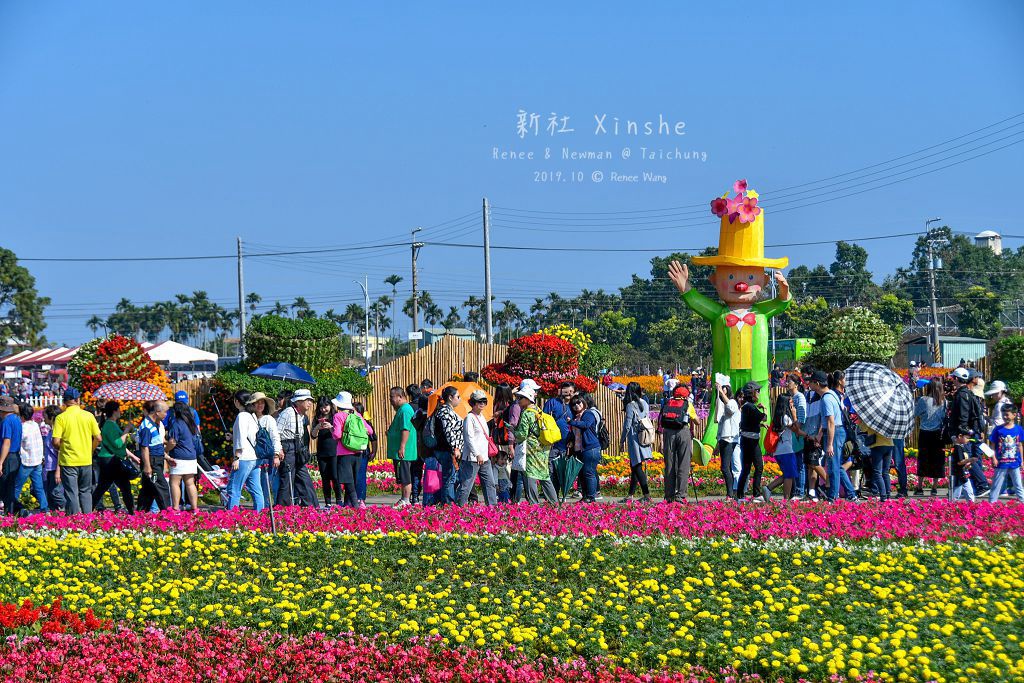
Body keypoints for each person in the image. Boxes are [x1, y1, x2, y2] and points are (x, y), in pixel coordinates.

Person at [52, 388, 100, 514]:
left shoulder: (61, 418)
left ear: (65, 401)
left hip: (69, 461)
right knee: (85, 491)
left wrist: (61, 448)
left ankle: (75, 521)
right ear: (77, 400)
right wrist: (90, 449)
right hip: (86, 459)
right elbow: (98, 438)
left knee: (71, 493)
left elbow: (56, 441)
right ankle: (88, 519)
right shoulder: (88, 416)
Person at [91, 401, 138, 515]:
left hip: (111, 460)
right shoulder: (110, 425)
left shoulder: (111, 424)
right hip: (111, 461)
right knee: (120, 487)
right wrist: (126, 431)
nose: (120, 411)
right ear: (114, 411)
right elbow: (117, 444)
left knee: (104, 487)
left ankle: (89, 509)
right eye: (119, 409)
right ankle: (131, 512)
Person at [513, 385, 557, 504]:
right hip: (543, 447)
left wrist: (513, 431)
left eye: (520, 398)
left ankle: (533, 504)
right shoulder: (538, 410)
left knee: (530, 475)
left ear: (528, 399)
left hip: (531, 449)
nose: (518, 401)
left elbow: (522, 434)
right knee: (544, 475)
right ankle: (554, 502)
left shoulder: (526, 413)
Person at [949, 367, 990, 496]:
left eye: (953, 378)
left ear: (956, 379)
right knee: (966, 460)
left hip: (964, 433)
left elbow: (963, 416)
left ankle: (982, 484)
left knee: (967, 459)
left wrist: (962, 432)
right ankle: (966, 490)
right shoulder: (967, 392)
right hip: (969, 431)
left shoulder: (962, 395)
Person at [276, 389, 319, 508]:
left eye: (310, 400)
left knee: (304, 478)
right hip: (287, 447)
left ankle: (311, 507)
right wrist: (278, 450)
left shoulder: (302, 415)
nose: (310, 403)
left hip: (297, 448)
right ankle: (283, 509)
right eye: (307, 400)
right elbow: (276, 432)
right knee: (287, 479)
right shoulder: (288, 412)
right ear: (298, 401)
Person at [332, 391, 373, 508]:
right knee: (353, 479)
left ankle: (355, 506)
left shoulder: (338, 416)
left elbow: (337, 435)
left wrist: (331, 430)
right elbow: (370, 431)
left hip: (344, 453)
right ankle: (347, 505)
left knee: (347, 481)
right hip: (358, 453)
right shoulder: (357, 415)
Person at [457, 389, 497, 505]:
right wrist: (477, 453)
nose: (482, 404)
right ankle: (458, 508)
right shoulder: (469, 418)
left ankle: (493, 508)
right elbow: (469, 437)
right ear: (473, 403)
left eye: (484, 401)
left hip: (484, 457)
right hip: (472, 458)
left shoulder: (482, 417)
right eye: (479, 401)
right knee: (466, 486)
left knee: (490, 484)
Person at [228, 390, 266, 511]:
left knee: (234, 489)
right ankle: (259, 515)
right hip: (254, 458)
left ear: (237, 401)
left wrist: (236, 458)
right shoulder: (252, 416)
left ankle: (231, 517)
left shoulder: (242, 416)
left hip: (243, 458)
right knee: (256, 489)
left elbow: (241, 440)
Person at [762, 392, 803, 501]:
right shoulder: (786, 417)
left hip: (780, 450)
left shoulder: (778, 417)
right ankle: (786, 498)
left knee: (788, 474)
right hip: (786, 450)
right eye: (790, 402)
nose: (792, 404)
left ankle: (768, 488)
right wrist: (794, 415)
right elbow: (796, 430)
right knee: (789, 475)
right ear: (785, 403)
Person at [619, 382, 655, 501]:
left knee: (636, 466)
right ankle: (630, 495)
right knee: (635, 466)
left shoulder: (630, 405)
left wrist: (622, 440)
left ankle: (646, 495)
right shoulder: (644, 402)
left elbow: (627, 425)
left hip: (634, 438)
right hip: (643, 435)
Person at [660, 384, 695, 503]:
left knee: (670, 464)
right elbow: (698, 421)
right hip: (683, 432)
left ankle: (669, 495)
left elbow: (661, 420)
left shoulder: (668, 403)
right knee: (683, 464)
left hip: (668, 433)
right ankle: (680, 495)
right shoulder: (688, 404)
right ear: (686, 395)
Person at [246, 392, 282, 506]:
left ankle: (268, 508)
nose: (259, 405)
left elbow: (275, 437)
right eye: (257, 403)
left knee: (267, 483)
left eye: (262, 403)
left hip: (266, 457)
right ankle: (261, 507)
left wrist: (276, 455)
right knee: (257, 485)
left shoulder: (268, 419)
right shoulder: (248, 418)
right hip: (253, 456)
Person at [136, 400, 172, 513]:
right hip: (152, 463)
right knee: (161, 487)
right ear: (157, 412)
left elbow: (156, 444)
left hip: (157, 460)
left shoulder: (155, 424)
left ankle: (141, 512)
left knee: (149, 489)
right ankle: (167, 513)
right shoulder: (147, 427)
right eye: (165, 412)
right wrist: (147, 466)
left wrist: (167, 458)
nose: (166, 415)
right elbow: (144, 447)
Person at [430, 386, 463, 506]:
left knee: (451, 477)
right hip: (446, 449)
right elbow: (449, 432)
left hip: (448, 449)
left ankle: (441, 500)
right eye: (458, 397)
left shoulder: (449, 410)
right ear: (450, 397)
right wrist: (456, 447)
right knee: (450, 478)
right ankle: (448, 503)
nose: (459, 399)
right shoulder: (445, 411)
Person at [914, 378, 946, 496]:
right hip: (938, 434)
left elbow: (916, 413)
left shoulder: (923, 400)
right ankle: (934, 487)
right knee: (938, 460)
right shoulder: (944, 402)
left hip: (925, 433)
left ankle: (920, 487)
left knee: (923, 459)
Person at [386, 386, 417, 508]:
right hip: (401, 451)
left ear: (400, 397)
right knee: (402, 475)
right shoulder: (402, 410)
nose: (391, 400)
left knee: (405, 476)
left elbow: (406, 429)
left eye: (392, 397)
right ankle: (404, 499)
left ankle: (405, 500)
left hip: (404, 452)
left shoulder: (405, 410)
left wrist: (402, 446)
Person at [568, 393, 602, 503]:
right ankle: (585, 496)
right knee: (582, 474)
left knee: (589, 472)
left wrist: (571, 422)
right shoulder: (576, 417)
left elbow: (585, 425)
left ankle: (591, 497)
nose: (576, 405)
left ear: (584, 403)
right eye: (574, 404)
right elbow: (575, 434)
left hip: (590, 448)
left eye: (579, 403)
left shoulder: (588, 414)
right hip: (580, 449)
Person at [735, 382, 766, 502]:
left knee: (746, 468)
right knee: (758, 467)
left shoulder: (747, 406)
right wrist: (764, 409)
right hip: (751, 442)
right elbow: (763, 417)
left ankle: (740, 495)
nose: (759, 393)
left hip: (746, 440)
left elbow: (752, 421)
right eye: (757, 391)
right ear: (752, 393)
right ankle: (756, 494)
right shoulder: (751, 407)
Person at [988, 403, 1024, 503]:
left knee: (1018, 484)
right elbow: (993, 445)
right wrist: (994, 458)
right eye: (1003, 414)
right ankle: (992, 502)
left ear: (1014, 415)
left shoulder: (1018, 429)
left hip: (1015, 462)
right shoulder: (998, 429)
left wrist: (1022, 461)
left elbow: (1020, 445)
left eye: (1007, 414)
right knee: (997, 484)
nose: (1005, 417)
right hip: (1001, 463)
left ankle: (1022, 502)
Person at [166, 402, 199, 512]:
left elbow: (172, 442)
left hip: (179, 456)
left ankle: (175, 508)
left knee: (174, 483)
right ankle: (195, 508)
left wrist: (165, 450)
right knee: (190, 483)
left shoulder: (177, 423)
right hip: (191, 456)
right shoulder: (191, 423)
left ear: (176, 412)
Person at [14, 403, 47, 513]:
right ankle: (44, 508)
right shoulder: (35, 424)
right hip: (37, 460)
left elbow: (18, 442)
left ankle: (14, 507)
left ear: (21, 415)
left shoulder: (23, 428)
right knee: (39, 487)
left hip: (26, 461)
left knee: (16, 486)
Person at [488, 383, 515, 503]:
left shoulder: (495, 405)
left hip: (496, 439)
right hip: (506, 438)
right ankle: (507, 493)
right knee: (506, 464)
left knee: (496, 463)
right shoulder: (509, 406)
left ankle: (498, 490)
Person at [312, 397, 342, 506]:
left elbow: (338, 434)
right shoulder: (317, 418)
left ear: (330, 405)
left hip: (334, 451)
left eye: (326, 406)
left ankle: (339, 500)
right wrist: (317, 427)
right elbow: (313, 435)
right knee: (324, 478)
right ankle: (327, 502)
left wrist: (331, 427)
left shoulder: (335, 417)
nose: (323, 409)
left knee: (335, 476)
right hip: (322, 452)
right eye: (321, 407)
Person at [714, 382, 740, 499]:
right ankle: (731, 492)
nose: (721, 392)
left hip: (730, 439)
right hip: (724, 439)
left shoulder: (732, 402)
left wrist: (721, 392)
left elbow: (731, 408)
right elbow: (720, 426)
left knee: (726, 467)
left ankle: (731, 493)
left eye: (723, 390)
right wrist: (717, 445)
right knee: (726, 467)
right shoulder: (721, 405)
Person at [0, 397, 22, 516]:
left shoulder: (6, 421)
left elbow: (6, 442)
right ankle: (14, 511)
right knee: (10, 486)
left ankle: (11, 513)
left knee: (5, 487)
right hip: (15, 456)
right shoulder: (16, 419)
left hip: (8, 457)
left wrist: (0, 461)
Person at [40, 405, 64, 513]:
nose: (43, 417)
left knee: (56, 493)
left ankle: (70, 508)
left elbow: (60, 451)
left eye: (45, 415)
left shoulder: (57, 432)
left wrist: (58, 471)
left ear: (51, 417)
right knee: (50, 494)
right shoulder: (51, 431)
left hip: (56, 467)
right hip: (50, 467)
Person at [353, 401, 375, 508]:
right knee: (352, 476)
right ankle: (353, 498)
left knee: (360, 476)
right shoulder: (350, 422)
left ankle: (361, 498)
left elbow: (373, 438)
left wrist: (374, 451)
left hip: (363, 453)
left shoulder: (366, 423)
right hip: (351, 452)